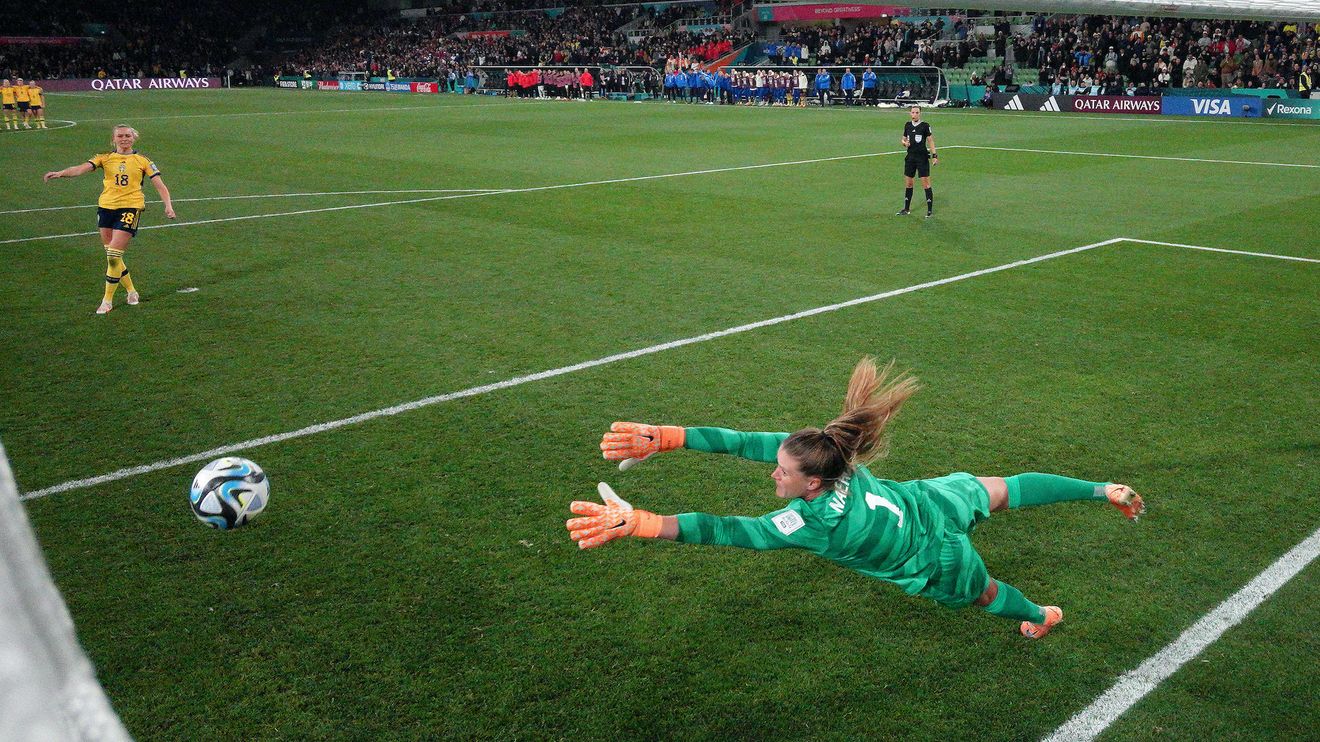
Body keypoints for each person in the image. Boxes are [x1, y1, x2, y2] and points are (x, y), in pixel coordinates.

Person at [568, 357, 1146, 640]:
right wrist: (669, 437)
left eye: (782, 474)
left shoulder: (810, 523)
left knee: (985, 593)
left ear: (812, 485)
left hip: (932, 557)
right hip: (926, 501)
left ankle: (1042, 616)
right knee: (1006, 489)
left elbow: (729, 530)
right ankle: (1103, 489)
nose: (773, 474)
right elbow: (742, 442)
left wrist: (642, 522)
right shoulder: (828, 452)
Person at [43, 124, 177, 314]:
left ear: (134, 138)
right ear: (113, 139)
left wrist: (168, 205)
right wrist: (60, 173)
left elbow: (160, 185)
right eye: (120, 136)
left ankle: (107, 301)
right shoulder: (104, 158)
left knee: (114, 255)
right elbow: (81, 168)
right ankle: (132, 291)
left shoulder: (143, 160)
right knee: (112, 255)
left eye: (128, 135)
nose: (124, 139)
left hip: (130, 207)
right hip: (106, 208)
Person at [897, 105, 937, 218]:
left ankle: (929, 211)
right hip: (910, 158)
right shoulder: (907, 125)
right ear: (910, 113)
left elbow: (930, 141)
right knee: (909, 183)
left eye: (917, 112)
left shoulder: (925, 126)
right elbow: (903, 139)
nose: (914, 114)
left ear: (920, 114)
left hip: (922, 158)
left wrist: (934, 155)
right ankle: (906, 209)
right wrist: (905, 143)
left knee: (926, 184)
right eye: (913, 112)